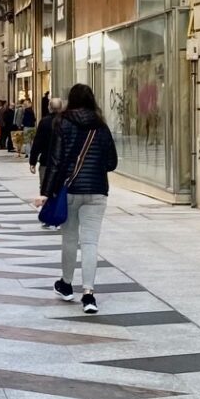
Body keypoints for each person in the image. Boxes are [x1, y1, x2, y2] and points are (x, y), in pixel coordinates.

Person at [40, 83, 117, 314]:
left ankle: (66, 285)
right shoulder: (101, 126)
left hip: (70, 190)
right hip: (97, 191)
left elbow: (55, 161)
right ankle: (89, 295)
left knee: (70, 239)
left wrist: (47, 192)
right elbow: (112, 162)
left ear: (71, 100)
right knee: (90, 243)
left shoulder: (62, 123)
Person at [30, 96, 65, 196]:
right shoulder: (65, 121)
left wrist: (33, 161)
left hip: (46, 161)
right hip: (62, 162)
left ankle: (46, 204)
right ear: (61, 107)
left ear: (49, 107)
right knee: (61, 190)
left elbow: (37, 142)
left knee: (44, 188)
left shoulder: (44, 122)